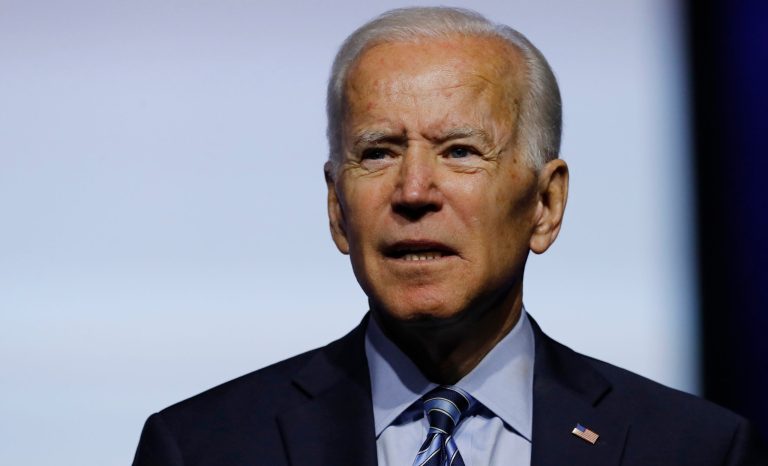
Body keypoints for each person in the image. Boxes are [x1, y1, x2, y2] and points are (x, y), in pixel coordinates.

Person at [133, 7, 766, 465]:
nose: (413, 192)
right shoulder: (202, 447)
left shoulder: (693, 449)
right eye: (377, 153)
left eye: (460, 152)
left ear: (545, 204)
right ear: (336, 207)